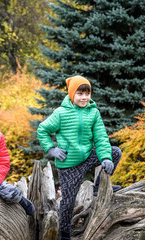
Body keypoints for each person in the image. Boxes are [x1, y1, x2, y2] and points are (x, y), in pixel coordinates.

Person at [37, 75, 122, 239]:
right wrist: (51, 149)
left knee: (115, 152)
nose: (84, 97)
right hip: (69, 164)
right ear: (71, 95)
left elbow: (101, 137)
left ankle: (98, 189)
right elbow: (43, 129)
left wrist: (105, 158)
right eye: (80, 94)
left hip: (87, 156)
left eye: (87, 93)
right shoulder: (61, 113)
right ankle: (65, 234)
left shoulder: (94, 112)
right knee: (68, 202)